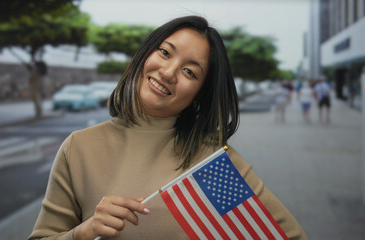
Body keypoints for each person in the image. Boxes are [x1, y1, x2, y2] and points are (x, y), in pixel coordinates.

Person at [29, 16, 307, 240]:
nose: (168, 72)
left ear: (199, 93)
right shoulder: (79, 147)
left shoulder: (211, 163)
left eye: (190, 72)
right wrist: (83, 232)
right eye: (164, 52)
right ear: (144, 54)